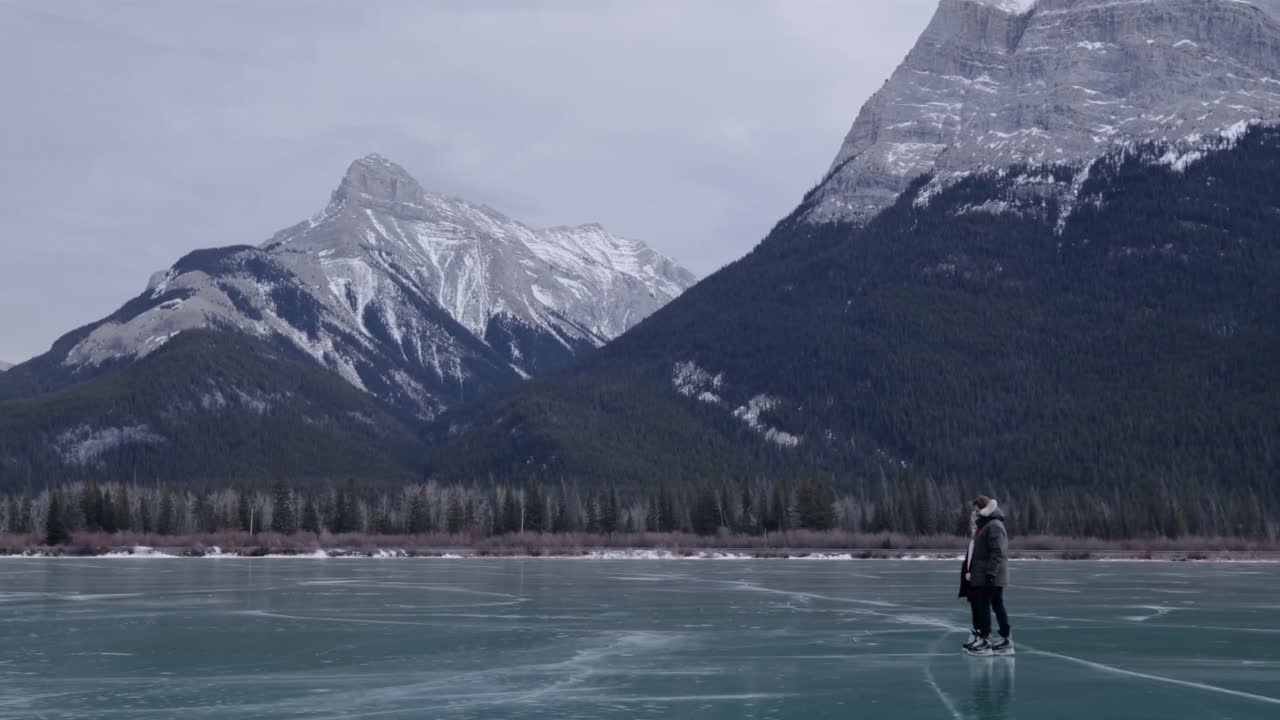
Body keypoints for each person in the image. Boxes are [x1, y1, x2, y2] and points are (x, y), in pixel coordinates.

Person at [966, 495, 1013, 656]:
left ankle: (986, 640)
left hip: (992, 574)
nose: (976, 512)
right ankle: (1006, 639)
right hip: (989, 573)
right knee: (996, 603)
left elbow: (997, 552)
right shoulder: (987, 525)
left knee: (984, 604)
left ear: (985, 508)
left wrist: (991, 573)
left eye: (978, 509)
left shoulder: (994, 525)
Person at [959, 509, 983, 649]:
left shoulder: (980, 535)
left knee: (979, 608)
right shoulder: (975, 536)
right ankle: (977, 633)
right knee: (975, 608)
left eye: (972, 520)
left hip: (977, 579)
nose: (970, 523)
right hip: (971, 579)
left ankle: (981, 635)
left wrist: (974, 573)